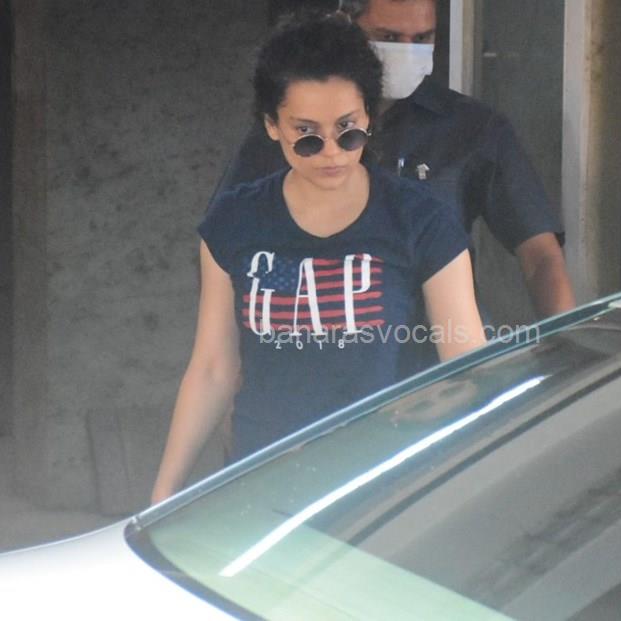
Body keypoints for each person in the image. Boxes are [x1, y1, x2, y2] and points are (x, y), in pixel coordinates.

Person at [151, 12, 485, 503]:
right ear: (271, 125)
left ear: (369, 117)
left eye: (348, 131)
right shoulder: (235, 221)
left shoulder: (421, 222)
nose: (331, 152)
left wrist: (432, 412)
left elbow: (468, 366)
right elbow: (213, 369)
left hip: (379, 488)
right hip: (261, 480)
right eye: (307, 134)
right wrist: (164, 495)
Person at [216, 0, 576, 321]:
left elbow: (540, 253)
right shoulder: (291, 135)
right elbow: (224, 246)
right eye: (388, 37)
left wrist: (566, 340)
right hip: (323, 347)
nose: (406, 52)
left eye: (422, 38)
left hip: (439, 351)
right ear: (346, 25)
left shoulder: (471, 128)